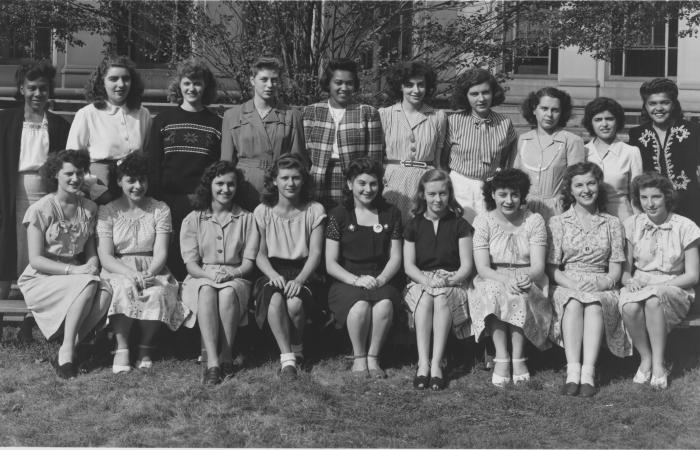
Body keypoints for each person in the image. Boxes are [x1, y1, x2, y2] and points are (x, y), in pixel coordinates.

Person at [17, 150, 111, 379]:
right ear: (55, 175)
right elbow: (36, 260)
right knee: (89, 284)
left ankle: (69, 345)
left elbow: (90, 251)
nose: (75, 178)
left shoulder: (89, 208)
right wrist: (75, 270)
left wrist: (91, 264)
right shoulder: (41, 209)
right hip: (42, 277)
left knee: (107, 290)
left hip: (76, 276)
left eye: (79, 173)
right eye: (68, 173)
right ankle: (68, 350)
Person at [96, 152, 192, 373]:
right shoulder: (107, 211)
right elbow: (106, 256)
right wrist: (129, 274)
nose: (138, 186)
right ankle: (122, 347)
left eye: (142, 180)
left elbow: (161, 251)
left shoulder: (160, 209)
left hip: (152, 267)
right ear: (119, 181)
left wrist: (151, 271)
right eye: (131, 180)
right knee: (123, 288)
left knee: (157, 292)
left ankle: (145, 346)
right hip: (117, 267)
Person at [546, 162, 631, 397]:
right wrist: (573, 284)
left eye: (591, 183)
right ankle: (573, 371)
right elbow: (552, 268)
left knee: (594, 304)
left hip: (601, 282)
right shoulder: (558, 222)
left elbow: (615, 269)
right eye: (579, 185)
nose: (586, 190)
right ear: (570, 190)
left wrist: (602, 283)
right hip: (567, 281)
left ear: (599, 186)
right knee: (573, 303)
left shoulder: (612, 223)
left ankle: (589, 373)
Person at [468, 168, 552, 387]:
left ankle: (519, 356)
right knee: (495, 292)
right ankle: (502, 357)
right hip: (493, 275)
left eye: (515, 194)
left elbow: (539, 266)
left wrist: (524, 277)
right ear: (493, 194)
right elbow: (483, 267)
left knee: (520, 294)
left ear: (522, 196)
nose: (509, 200)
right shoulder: (483, 221)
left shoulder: (534, 220)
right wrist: (505, 279)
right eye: (502, 194)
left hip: (527, 275)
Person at [180, 161, 259, 385]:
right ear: (209, 185)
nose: (225, 190)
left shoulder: (247, 219)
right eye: (220, 184)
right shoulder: (194, 218)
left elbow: (248, 263)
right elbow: (191, 264)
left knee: (226, 292)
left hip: (235, 276)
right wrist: (208, 276)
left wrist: (232, 274)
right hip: (200, 276)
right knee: (206, 290)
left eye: (231, 184)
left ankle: (227, 354)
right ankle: (213, 362)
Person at [620, 172, 700, 389]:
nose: (650, 204)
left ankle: (658, 362)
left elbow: (692, 275)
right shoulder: (631, 224)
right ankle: (644, 358)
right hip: (640, 282)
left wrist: (660, 285)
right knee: (628, 306)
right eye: (644, 198)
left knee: (654, 300)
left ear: (667, 197)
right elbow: (625, 272)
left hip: (674, 285)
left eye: (656, 197)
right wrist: (628, 282)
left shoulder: (685, 226)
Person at [325, 157, 402, 378]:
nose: (368, 189)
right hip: (347, 278)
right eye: (362, 183)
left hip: (381, 277)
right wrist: (356, 280)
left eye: (373, 184)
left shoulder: (391, 213)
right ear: (350, 184)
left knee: (384, 304)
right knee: (359, 306)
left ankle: (373, 357)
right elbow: (330, 263)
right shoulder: (338, 215)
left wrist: (382, 279)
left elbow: (395, 257)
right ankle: (359, 357)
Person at [0, 60, 71, 299]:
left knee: (40, 244)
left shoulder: (59, 125)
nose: (37, 93)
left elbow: (64, 163)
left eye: (43, 88)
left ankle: (33, 310)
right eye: (32, 87)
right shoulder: (6, 120)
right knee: (10, 243)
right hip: (12, 190)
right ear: (21, 89)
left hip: (46, 194)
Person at [253, 154, 326, 379]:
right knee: (274, 298)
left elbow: (315, 253)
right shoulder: (263, 211)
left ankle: (297, 347)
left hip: (304, 271)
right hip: (273, 270)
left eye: (296, 178)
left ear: (303, 180)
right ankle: (288, 360)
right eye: (284, 178)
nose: (290, 183)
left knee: (294, 304)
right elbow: (260, 254)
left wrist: (300, 280)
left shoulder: (314, 209)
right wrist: (273, 275)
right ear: (274, 181)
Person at [149, 59, 222, 280]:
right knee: (169, 253)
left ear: (206, 87)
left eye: (198, 83)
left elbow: (217, 166)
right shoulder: (163, 120)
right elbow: (154, 162)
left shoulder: (216, 123)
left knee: (195, 252)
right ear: (179, 85)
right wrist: (155, 199)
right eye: (187, 83)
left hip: (200, 201)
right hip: (167, 201)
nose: (192, 89)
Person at [403, 169, 473, 390]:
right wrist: (426, 280)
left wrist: (447, 281)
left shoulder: (460, 225)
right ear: (423, 194)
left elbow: (466, 267)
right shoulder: (413, 225)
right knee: (425, 298)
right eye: (432, 194)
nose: (437, 199)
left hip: (452, 282)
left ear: (449, 194)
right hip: (420, 281)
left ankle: (436, 365)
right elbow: (409, 266)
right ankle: (423, 362)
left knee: (441, 297)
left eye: (442, 193)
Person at [221, 57, 306, 212]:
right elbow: (226, 163)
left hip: (279, 187)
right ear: (252, 80)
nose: (269, 85)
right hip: (245, 186)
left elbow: (298, 161)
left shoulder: (292, 115)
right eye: (264, 79)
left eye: (274, 80)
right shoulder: (232, 115)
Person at [67, 55, 152, 203]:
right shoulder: (87, 114)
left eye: (126, 79)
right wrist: (96, 191)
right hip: (100, 190)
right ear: (102, 83)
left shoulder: (142, 114)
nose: (121, 84)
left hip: (134, 191)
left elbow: (148, 155)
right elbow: (73, 161)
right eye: (113, 79)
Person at [303, 58, 384, 209]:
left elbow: (374, 159)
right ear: (328, 83)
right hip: (317, 181)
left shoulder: (367, 113)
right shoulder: (311, 112)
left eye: (349, 83)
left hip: (353, 182)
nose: (344, 88)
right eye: (338, 82)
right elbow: (304, 155)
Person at [443, 68, 518, 222]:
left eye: (485, 92)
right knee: (460, 234)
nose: (481, 99)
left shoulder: (504, 123)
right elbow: (443, 159)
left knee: (487, 234)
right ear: (465, 96)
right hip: (459, 186)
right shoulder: (454, 121)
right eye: (474, 94)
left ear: (493, 93)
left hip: (490, 187)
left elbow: (505, 160)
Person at [379, 61, 447, 223]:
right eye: (409, 85)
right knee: (393, 230)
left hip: (426, 181)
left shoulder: (438, 117)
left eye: (421, 85)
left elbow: (438, 160)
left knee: (423, 232)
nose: (416, 90)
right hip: (393, 181)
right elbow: (378, 155)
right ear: (400, 87)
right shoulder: (385, 114)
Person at [628, 78, 700, 225]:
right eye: (652, 103)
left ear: (673, 104)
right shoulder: (637, 134)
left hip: (689, 208)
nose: (658, 108)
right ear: (646, 106)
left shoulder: (693, 130)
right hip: (652, 209)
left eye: (664, 102)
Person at [514, 87, 586, 221]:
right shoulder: (523, 139)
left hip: (556, 212)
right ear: (534, 109)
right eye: (544, 108)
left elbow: (576, 183)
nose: (549, 115)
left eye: (555, 110)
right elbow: (516, 179)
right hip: (523, 211)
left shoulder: (572, 141)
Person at [582, 97, 643, 221]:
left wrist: (638, 224)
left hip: (623, 219)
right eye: (598, 119)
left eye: (609, 119)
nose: (604, 124)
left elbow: (636, 196)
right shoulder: (583, 151)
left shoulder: (631, 152)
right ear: (590, 123)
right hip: (589, 218)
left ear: (618, 121)